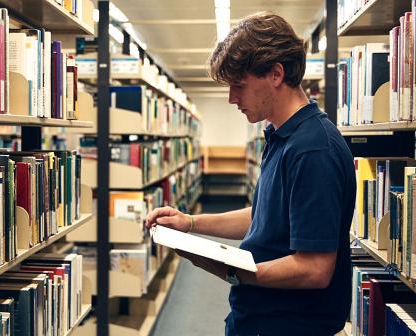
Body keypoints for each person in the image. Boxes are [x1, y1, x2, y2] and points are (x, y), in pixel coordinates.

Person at [145, 12, 356, 336]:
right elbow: (264, 216)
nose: (232, 98)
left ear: (275, 73)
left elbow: (315, 269)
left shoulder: (313, 150)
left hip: (287, 326)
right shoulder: (282, 136)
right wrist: (189, 223)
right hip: (258, 319)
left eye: (239, 86)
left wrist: (229, 268)